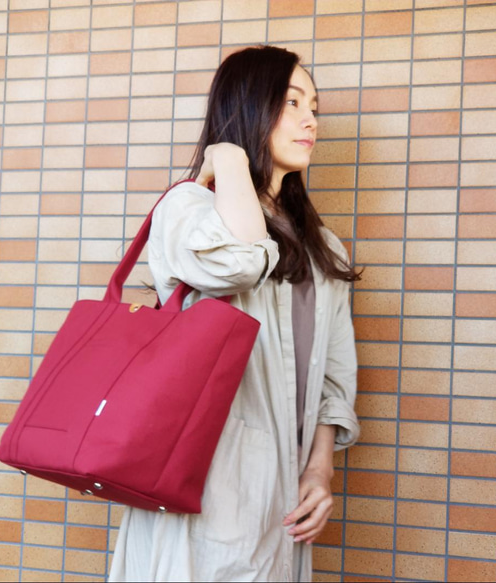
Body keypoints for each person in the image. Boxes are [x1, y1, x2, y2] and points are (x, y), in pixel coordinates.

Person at [109, 45, 360, 583]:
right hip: (205, 482)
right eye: (292, 103)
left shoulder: (327, 250)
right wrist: (227, 158)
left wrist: (321, 467)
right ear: (249, 107)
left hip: (287, 492)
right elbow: (241, 262)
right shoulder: (189, 210)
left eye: (314, 105)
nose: (311, 119)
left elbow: (335, 375)